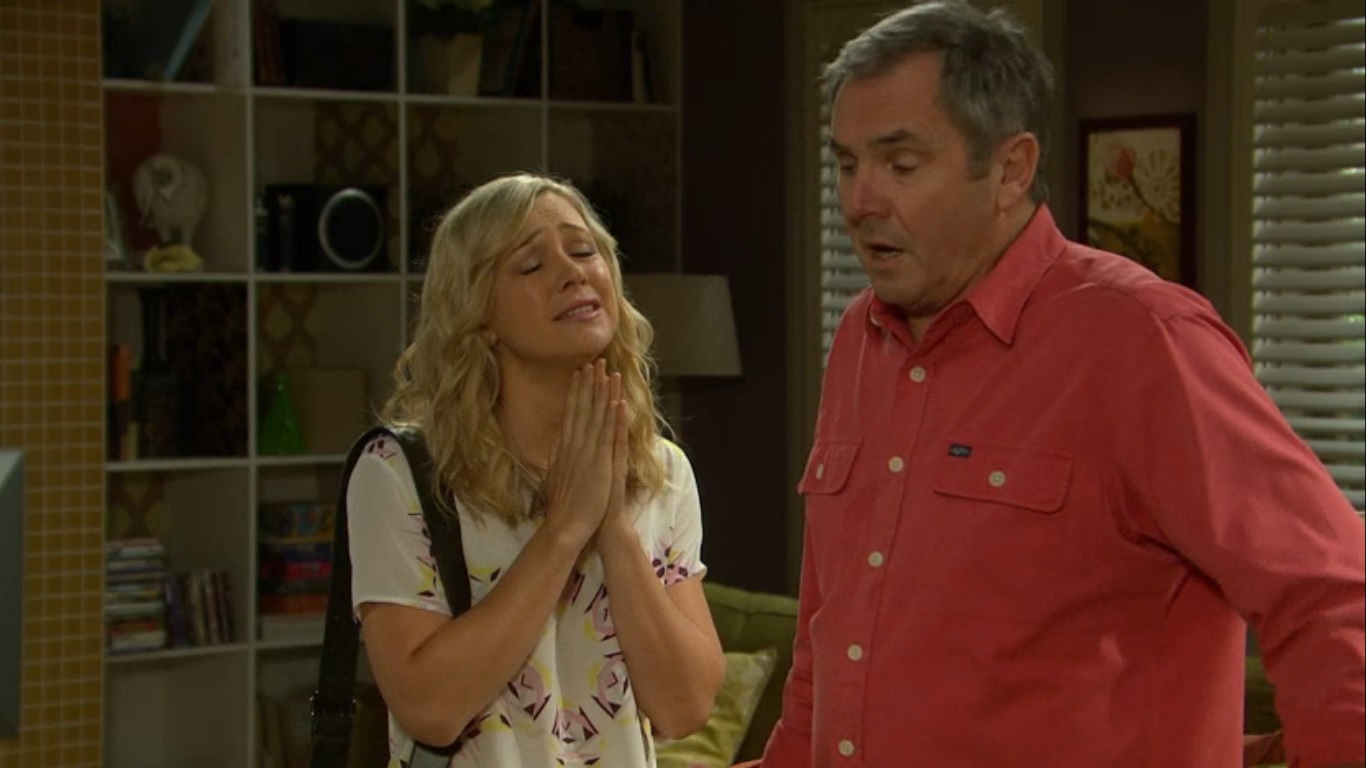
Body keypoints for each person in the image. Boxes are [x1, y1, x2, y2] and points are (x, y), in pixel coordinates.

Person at [761, 2, 1366, 767]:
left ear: (1010, 169)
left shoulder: (1142, 339)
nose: (859, 202)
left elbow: (1334, 597)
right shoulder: (860, 338)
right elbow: (825, 653)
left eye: (901, 165)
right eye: (847, 164)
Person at [347, 172, 725, 767]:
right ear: (479, 314)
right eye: (530, 265)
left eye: (584, 251)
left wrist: (614, 530)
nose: (573, 273)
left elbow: (685, 707)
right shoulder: (401, 473)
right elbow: (429, 708)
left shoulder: (661, 471)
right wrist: (564, 530)